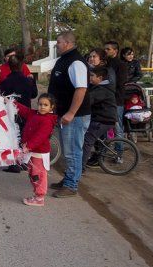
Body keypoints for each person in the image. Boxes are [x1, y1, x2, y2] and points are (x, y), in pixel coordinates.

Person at [48, 31, 91, 198]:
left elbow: (81, 89)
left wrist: (71, 113)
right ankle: (68, 179)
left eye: (58, 42)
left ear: (67, 43)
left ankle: (71, 185)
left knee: (73, 150)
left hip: (75, 116)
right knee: (68, 150)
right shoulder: (64, 60)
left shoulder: (76, 62)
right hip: (66, 114)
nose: (56, 45)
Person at [14, 94, 58, 207]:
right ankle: (37, 195)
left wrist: (28, 146)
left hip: (38, 152)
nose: (42, 107)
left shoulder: (47, 121)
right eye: (40, 104)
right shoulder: (34, 114)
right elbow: (24, 110)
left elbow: (40, 136)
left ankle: (39, 197)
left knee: (38, 174)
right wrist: (11, 102)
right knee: (33, 173)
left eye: (46, 105)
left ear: (51, 107)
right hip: (32, 151)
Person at [0, 53, 38, 173]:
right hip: (25, 112)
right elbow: (34, 94)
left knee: (12, 137)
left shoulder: (5, 82)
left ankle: (13, 163)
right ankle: (22, 161)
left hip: (10, 113)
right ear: (22, 66)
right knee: (23, 136)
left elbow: (1, 96)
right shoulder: (28, 81)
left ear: (9, 66)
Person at [82, 67, 118, 170]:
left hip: (103, 120)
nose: (90, 78)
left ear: (100, 78)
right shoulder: (100, 87)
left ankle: (81, 168)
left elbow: (88, 101)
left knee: (87, 141)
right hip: (102, 118)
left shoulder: (102, 90)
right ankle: (94, 158)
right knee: (94, 139)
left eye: (92, 76)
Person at [104, 41, 128, 143]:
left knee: (117, 127)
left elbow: (120, 83)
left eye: (108, 49)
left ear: (115, 51)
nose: (105, 51)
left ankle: (119, 153)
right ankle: (103, 152)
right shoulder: (105, 63)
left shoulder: (121, 65)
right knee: (104, 127)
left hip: (116, 100)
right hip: (104, 99)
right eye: (105, 49)